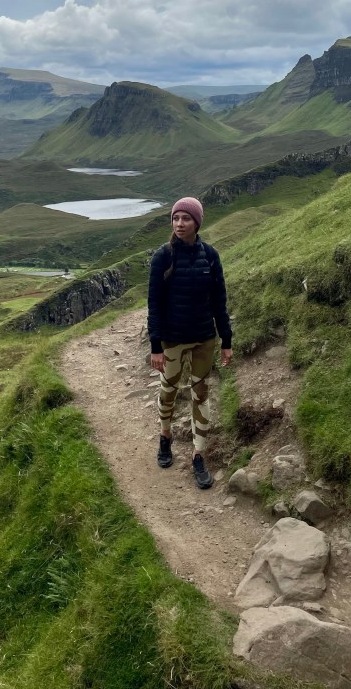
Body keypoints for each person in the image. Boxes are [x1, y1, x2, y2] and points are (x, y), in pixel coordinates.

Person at [147, 196, 232, 489]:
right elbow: (154, 305)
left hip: (204, 339)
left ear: (197, 222)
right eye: (175, 218)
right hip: (171, 339)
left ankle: (198, 455)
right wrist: (155, 346)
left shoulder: (210, 256)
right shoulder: (163, 256)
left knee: (200, 393)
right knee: (169, 388)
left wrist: (226, 340)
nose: (179, 224)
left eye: (185, 218)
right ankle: (165, 436)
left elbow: (219, 301)